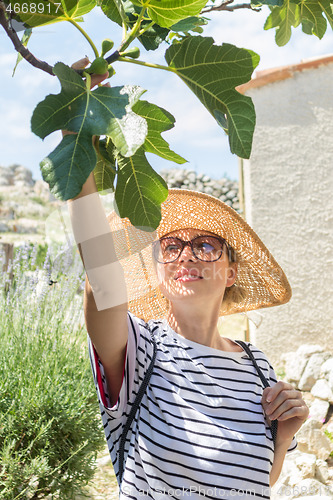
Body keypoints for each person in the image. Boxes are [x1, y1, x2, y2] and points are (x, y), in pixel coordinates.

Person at [67, 60, 309, 500]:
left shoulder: (258, 366)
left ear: (231, 272)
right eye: (172, 246)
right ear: (158, 270)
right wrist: (77, 136)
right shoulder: (141, 349)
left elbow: (254, 482)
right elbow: (100, 281)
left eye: (206, 245)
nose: (186, 255)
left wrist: (285, 431)